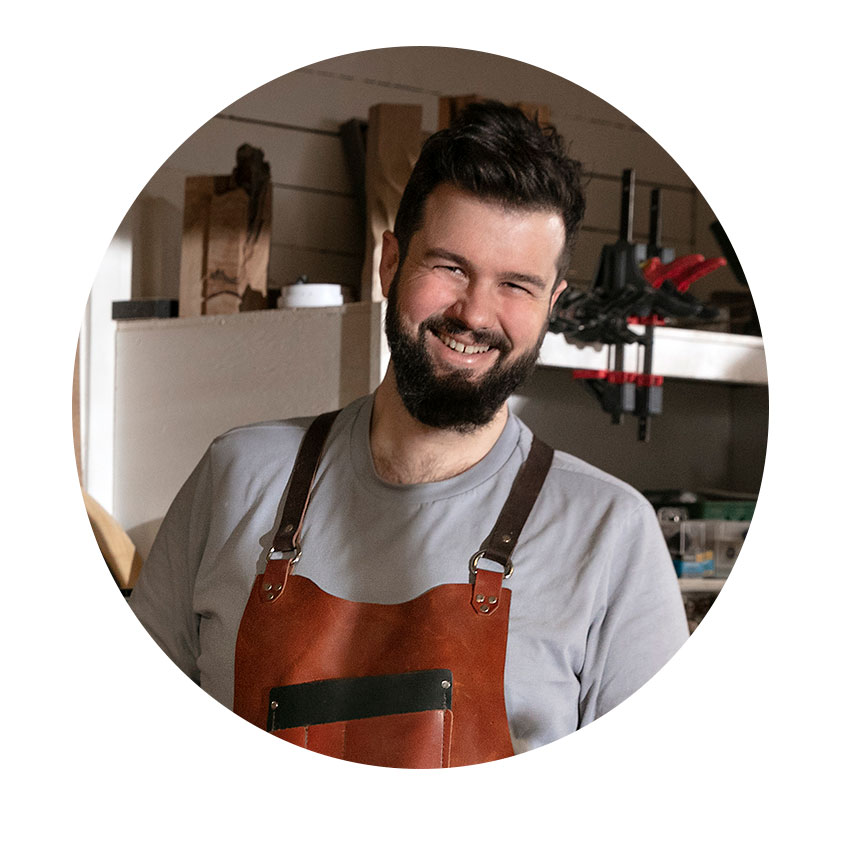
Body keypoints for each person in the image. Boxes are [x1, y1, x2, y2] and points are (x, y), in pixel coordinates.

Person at [129, 101, 688, 768]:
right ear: (390, 262)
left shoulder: (610, 536)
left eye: (516, 284)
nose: (475, 314)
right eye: (450, 266)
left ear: (553, 306)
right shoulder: (237, 476)